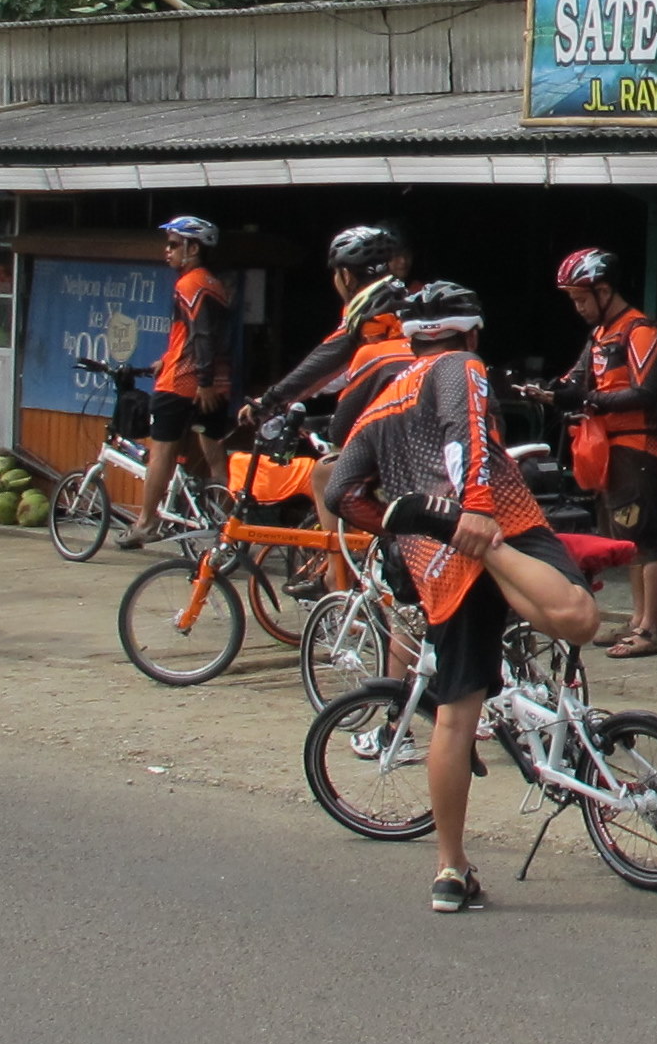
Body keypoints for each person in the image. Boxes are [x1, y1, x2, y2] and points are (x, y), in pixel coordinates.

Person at [320, 279, 602, 913]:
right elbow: (467, 434)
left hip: (433, 560)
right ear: (470, 331)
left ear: (411, 338)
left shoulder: (380, 402)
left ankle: (451, 871)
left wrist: (401, 528)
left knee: (456, 714)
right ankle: (492, 554)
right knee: (578, 620)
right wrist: (474, 517)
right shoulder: (463, 365)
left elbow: (341, 491)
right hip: (499, 521)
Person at [545, 248, 657, 658]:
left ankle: (652, 628)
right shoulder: (600, 336)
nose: (578, 306)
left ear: (604, 290)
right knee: (628, 540)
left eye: (581, 297)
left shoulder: (639, 331)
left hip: (640, 448)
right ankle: (637, 620)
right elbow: (577, 378)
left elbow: (647, 390)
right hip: (608, 452)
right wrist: (556, 390)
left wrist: (594, 399)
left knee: (650, 538)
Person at [246, 224, 414, 439]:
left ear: (346, 275)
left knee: (333, 454)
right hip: (412, 406)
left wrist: (271, 400)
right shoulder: (400, 298)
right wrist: (288, 399)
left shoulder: (369, 312)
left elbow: (329, 356)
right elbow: (342, 366)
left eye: (336, 272)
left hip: (394, 414)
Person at [130, 216, 233, 548]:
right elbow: (199, 335)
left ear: (193, 248)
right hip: (217, 383)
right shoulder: (215, 284)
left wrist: (199, 379)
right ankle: (228, 526)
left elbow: (201, 335)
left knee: (161, 451)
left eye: (174, 245)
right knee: (216, 455)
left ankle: (146, 524)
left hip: (182, 383)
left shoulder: (189, 283)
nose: (168, 251)